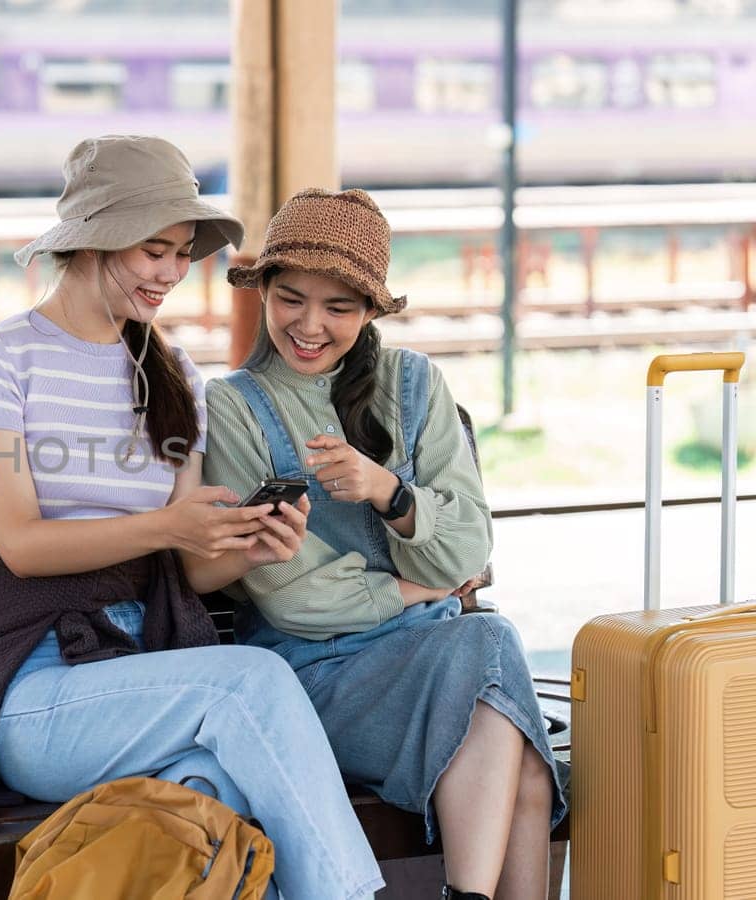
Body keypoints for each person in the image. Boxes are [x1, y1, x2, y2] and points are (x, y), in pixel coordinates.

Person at [0, 135, 383, 899]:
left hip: (149, 676)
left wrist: (250, 545)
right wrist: (167, 530)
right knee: (254, 683)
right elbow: (20, 546)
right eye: (154, 250)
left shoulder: (171, 371)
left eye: (182, 253)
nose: (174, 273)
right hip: (44, 698)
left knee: (217, 795)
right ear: (93, 240)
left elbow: (193, 563)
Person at [203, 187, 567, 900]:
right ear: (265, 293)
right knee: (493, 663)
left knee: (506, 717)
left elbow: (464, 550)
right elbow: (295, 598)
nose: (310, 325)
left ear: (370, 312)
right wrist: (421, 588)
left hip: (437, 664)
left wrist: (388, 492)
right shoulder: (235, 407)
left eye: (339, 306)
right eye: (291, 299)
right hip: (314, 682)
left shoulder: (415, 384)